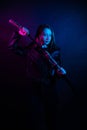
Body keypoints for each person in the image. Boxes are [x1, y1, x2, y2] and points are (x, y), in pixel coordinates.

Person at [8, 23, 66, 129]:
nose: (48, 38)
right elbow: (12, 47)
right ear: (39, 35)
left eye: (50, 35)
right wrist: (18, 34)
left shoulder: (55, 51)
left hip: (50, 90)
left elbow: (56, 72)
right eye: (44, 34)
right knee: (35, 120)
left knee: (52, 120)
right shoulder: (31, 49)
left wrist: (60, 72)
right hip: (34, 90)